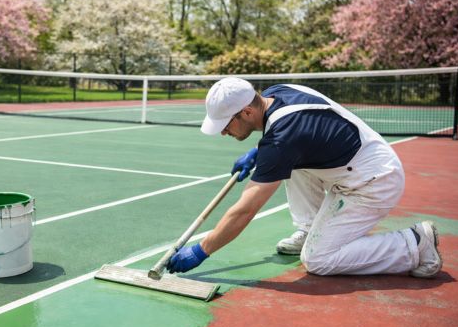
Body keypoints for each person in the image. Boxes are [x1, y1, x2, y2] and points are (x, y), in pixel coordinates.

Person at [166, 77, 442, 278]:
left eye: (225, 125)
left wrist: (202, 250)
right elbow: (297, 136)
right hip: (356, 164)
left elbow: (245, 210)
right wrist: (257, 151)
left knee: (318, 260)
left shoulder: (282, 140)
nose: (224, 133)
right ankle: (311, 229)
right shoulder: (275, 93)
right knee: (290, 165)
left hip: (373, 183)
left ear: (247, 112)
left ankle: (414, 244)